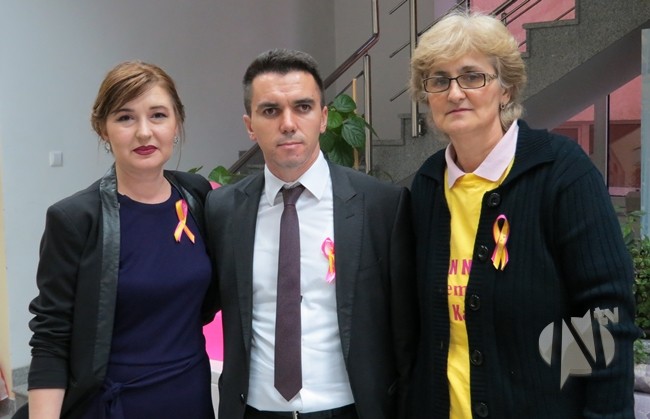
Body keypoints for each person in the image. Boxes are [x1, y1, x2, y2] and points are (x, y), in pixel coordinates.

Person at [407, 11, 638, 419]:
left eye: (472, 76)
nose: (455, 92)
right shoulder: (427, 185)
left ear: (506, 88)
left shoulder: (561, 173)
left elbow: (605, 319)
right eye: (439, 80)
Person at [204, 48, 418, 419]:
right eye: (270, 111)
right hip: (253, 410)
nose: (288, 123)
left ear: (323, 117)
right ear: (250, 125)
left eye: (302, 107)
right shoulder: (223, 210)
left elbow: (406, 335)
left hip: (348, 409)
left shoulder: (381, 206)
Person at [20, 61, 216, 419]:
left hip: (190, 393)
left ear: (177, 123)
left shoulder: (197, 196)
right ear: (103, 129)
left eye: (158, 115)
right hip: (114, 404)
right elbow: (51, 338)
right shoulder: (76, 218)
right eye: (125, 118)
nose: (144, 132)